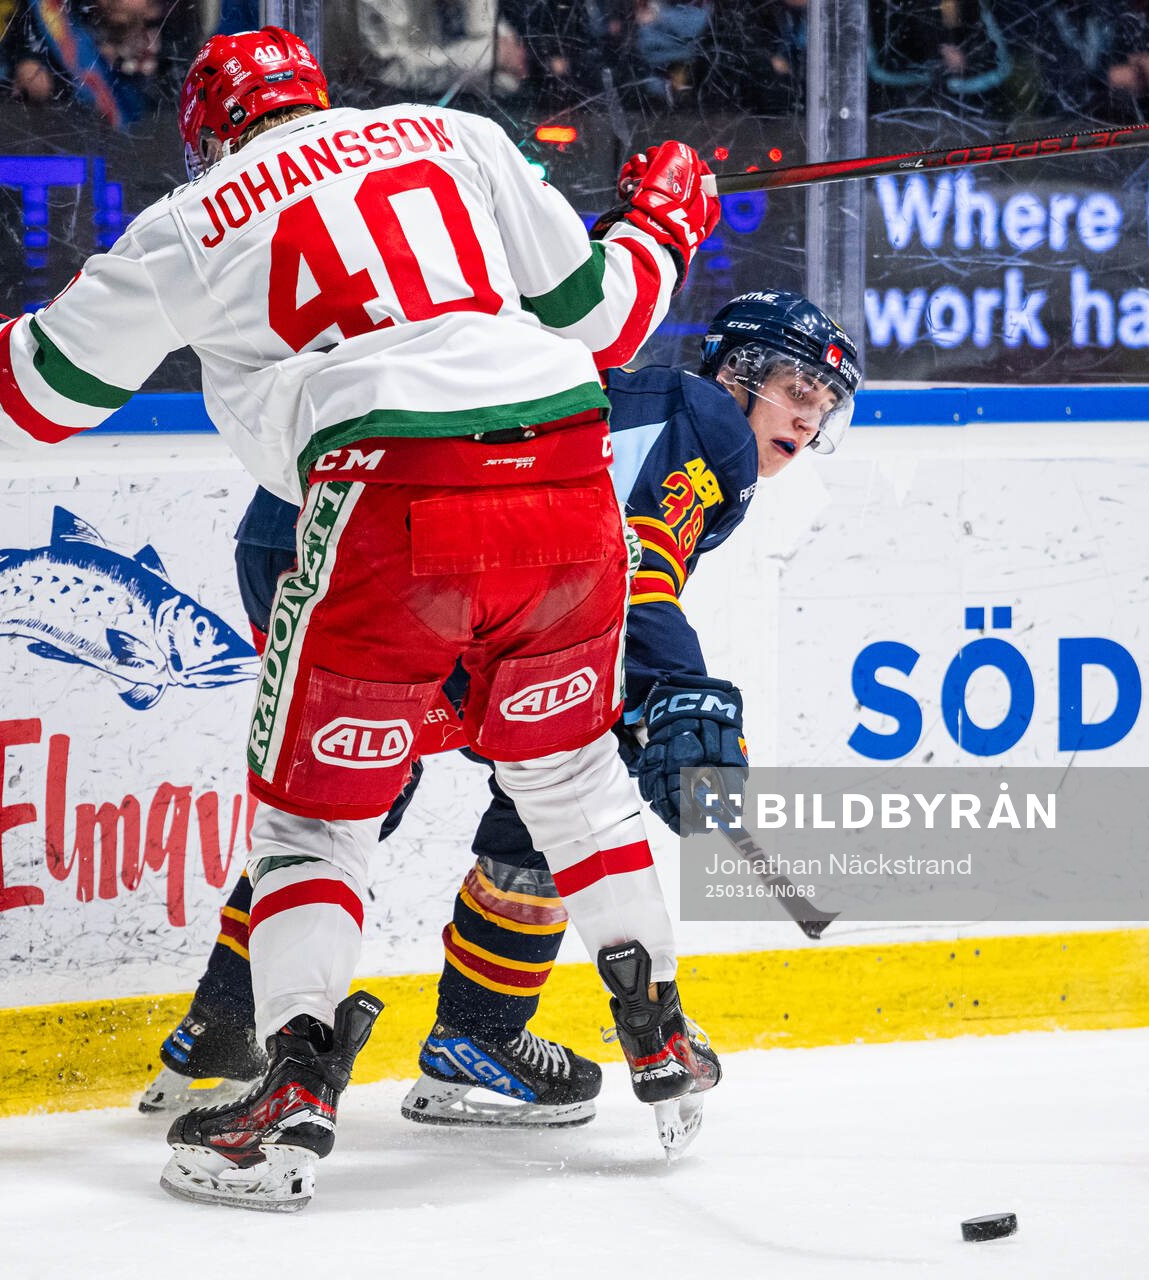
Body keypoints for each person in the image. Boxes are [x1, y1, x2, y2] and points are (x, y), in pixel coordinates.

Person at [0, 26, 722, 1211]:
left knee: (316, 823)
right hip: (565, 465)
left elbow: (38, 393)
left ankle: (296, 1089)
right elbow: (610, 319)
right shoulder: (460, 136)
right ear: (319, 94)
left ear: (209, 133)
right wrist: (663, 221)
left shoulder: (194, 219)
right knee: (570, 776)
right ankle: (662, 1033)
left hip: (388, 490)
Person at [138, 289, 861, 1132]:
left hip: (316, 526)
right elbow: (635, 570)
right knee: (557, 765)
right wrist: (674, 689)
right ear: (736, 372)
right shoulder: (700, 415)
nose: (808, 421)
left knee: (348, 794)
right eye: (798, 390)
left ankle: (225, 1028)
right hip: (414, 547)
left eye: (826, 406)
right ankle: (479, 1031)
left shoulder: (611, 385)